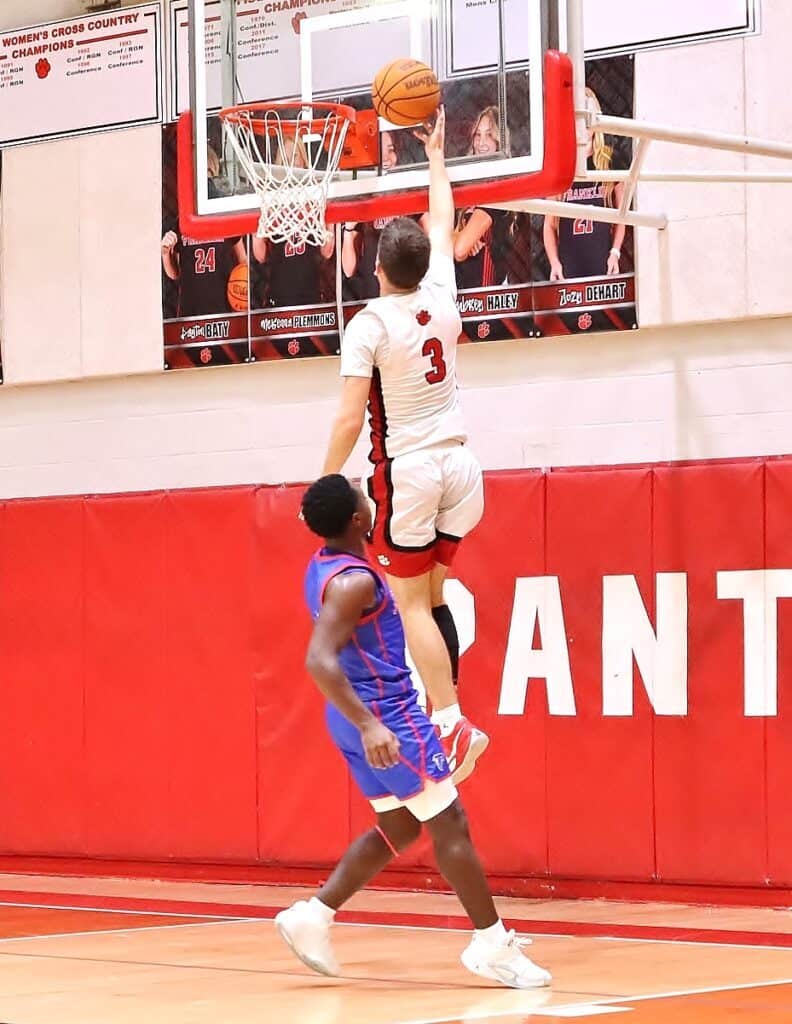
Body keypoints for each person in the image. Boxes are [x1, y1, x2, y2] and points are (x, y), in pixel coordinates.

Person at [274, 474, 552, 990]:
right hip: (384, 717)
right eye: (362, 494)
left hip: (361, 716)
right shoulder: (354, 581)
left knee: (400, 827)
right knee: (452, 824)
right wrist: (371, 724)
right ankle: (491, 943)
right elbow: (319, 659)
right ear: (358, 518)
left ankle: (314, 915)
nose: (368, 496)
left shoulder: (325, 565)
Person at [319, 108, 487, 784]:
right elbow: (442, 220)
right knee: (435, 597)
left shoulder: (368, 323)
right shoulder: (443, 291)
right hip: (463, 466)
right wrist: (438, 157)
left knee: (412, 604)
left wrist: (324, 485)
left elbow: (349, 419)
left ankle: (451, 724)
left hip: (412, 470)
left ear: (380, 269)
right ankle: (449, 705)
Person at [542, 87, 627, 281]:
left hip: (602, 260)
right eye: (578, 120)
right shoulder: (561, 163)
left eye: (587, 120)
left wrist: (615, 252)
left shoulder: (610, 160)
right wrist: (554, 262)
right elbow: (549, 225)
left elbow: (624, 216)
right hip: (569, 264)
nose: (583, 128)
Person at [161, 145, 248, 318]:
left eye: (207, 174)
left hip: (223, 310)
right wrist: (165, 254)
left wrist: (242, 290)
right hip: (191, 312)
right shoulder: (181, 221)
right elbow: (175, 274)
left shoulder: (224, 217)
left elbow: (243, 260)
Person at [251, 137, 335, 308]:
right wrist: (257, 229)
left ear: (304, 160)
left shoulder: (316, 195)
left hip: (311, 293)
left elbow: (326, 252)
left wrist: (329, 222)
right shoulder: (271, 200)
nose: (290, 163)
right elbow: (260, 256)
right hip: (279, 294)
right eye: (285, 159)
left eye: (294, 156)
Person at [454, 107, 514, 290]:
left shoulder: (500, 187)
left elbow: (459, 250)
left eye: (489, 135)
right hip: (458, 292)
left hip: (487, 295)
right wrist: (460, 236)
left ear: (499, 141)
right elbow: (440, 239)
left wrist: (459, 239)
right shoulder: (464, 187)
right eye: (477, 135)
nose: (481, 143)